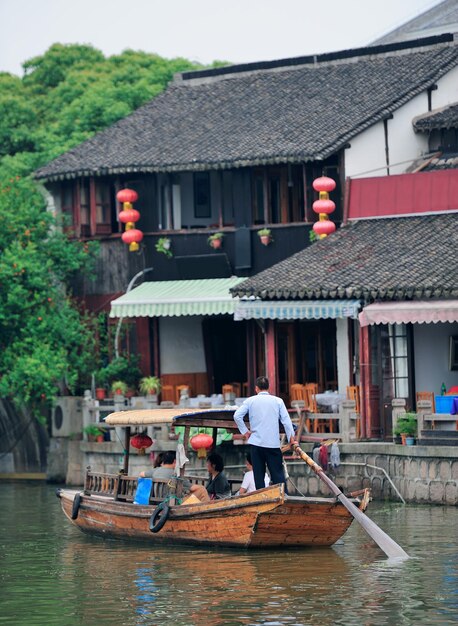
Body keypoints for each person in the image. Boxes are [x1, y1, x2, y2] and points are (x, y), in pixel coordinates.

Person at [234, 376, 297, 491]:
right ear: (268, 388)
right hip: (272, 444)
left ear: (256, 388)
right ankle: (285, 497)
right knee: (278, 475)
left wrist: (245, 432)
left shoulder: (250, 401)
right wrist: (291, 438)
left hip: (256, 444)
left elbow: (237, 416)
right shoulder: (278, 401)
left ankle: (260, 500)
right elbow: (287, 422)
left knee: (259, 477)